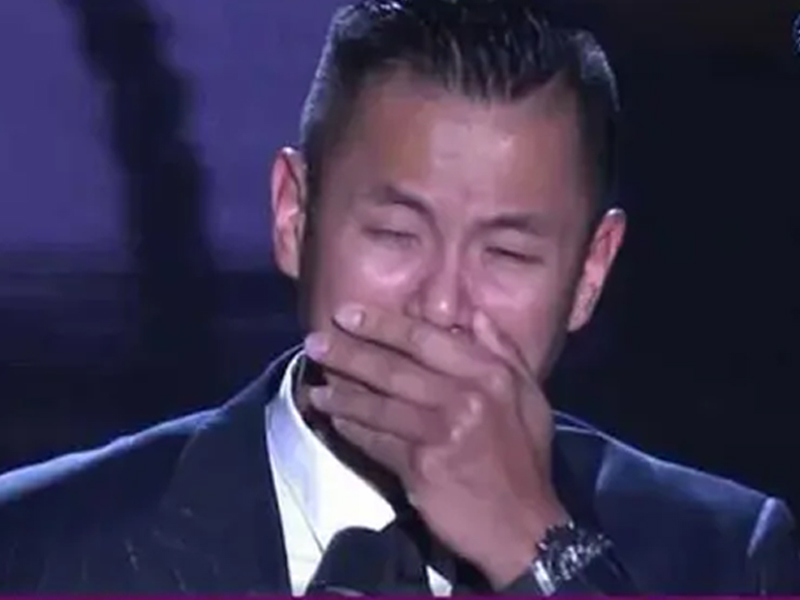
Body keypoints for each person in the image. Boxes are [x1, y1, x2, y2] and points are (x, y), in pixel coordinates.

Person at [0, 0, 797, 595]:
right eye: (394, 235)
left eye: (507, 254)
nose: (442, 307)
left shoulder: (726, 558)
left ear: (590, 274)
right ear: (294, 217)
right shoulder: (37, 547)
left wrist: (537, 549)